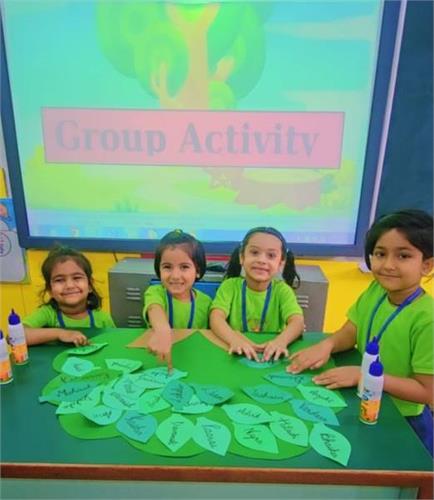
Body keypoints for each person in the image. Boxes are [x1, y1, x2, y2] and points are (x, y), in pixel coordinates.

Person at [288, 209, 433, 455]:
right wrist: (328, 344)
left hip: (402, 421)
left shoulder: (427, 318)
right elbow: (351, 331)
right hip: (363, 403)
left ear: (426, 265)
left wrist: (365, 376)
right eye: (380, 254)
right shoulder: (376, 290)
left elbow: (427, 392)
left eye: (403, 256)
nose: (388, 265)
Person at [210, 226, 304, 362]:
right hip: (236, 352)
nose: (261, 260)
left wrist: (281, 341)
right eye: (254, 252)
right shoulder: (229, 286)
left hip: (270, 355)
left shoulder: (283, 291)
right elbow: (216, 317)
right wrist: (234, 340)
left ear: (281, 263)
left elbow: (297, 322)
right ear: (242, 257)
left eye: (271, 255)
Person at [144, 230, 212, 369]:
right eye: (167, 267)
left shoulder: (206, 302)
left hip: (194, 360)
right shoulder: (155, 292)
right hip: (160, 360)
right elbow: (154, 308)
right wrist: (162, 331)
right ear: (159, 269)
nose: (175, 275)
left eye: (184, 267)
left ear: (198, 271)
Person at [23, 245, 115, 346]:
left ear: (89, 285)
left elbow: (115, 345)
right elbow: (16, 336)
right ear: (50, 290)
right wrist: (60, 334)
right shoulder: (48, 314)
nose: (69, 285)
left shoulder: (103, 319)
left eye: (77, 278)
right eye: (59, 280)